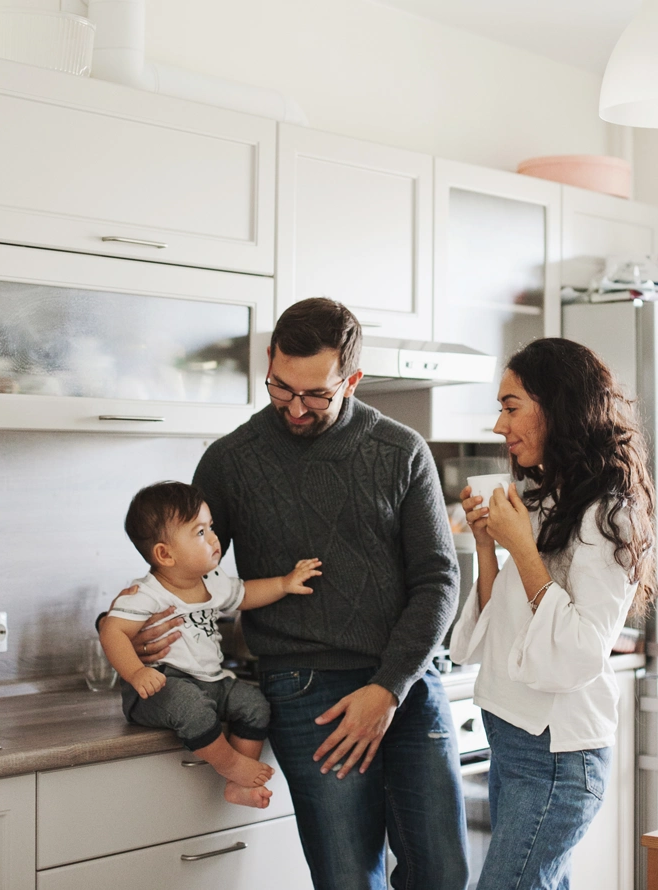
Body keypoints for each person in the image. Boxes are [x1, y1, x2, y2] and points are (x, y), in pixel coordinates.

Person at [100, 298, 469, 890]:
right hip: (305, 689)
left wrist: (388, 688)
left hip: (407, 683)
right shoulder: (230, 461)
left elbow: (438, 580)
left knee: (444, 874)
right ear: (269, 360)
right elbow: (184, 568)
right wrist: (134, 629)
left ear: (353, 379)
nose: (295, 408)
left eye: (316, 394)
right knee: (347, 879)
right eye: (280, 387)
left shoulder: (400, 451)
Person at [450, 337, 656, 890]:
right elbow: (497, 623)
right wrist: (488, 545)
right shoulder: (546, 499)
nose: (500, 425)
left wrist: (521, 546)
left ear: (557, 405)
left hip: (557, 756)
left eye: (511, 407)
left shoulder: (609, 514)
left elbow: (580, 652)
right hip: (511, 740)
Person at [100, 480, 322, 809]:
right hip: (159, 687)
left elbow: (245, 594)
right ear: (165, 554)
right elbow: (112, 631)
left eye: (211, 527)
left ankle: (238, 787)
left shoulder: (213, 581)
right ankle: (231, 765)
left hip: (211, 682)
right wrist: (135, 673)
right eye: (201, 532)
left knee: (254, 703)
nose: (215, 538)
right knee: (190, 704)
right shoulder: (146, 594)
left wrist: (284, 584)